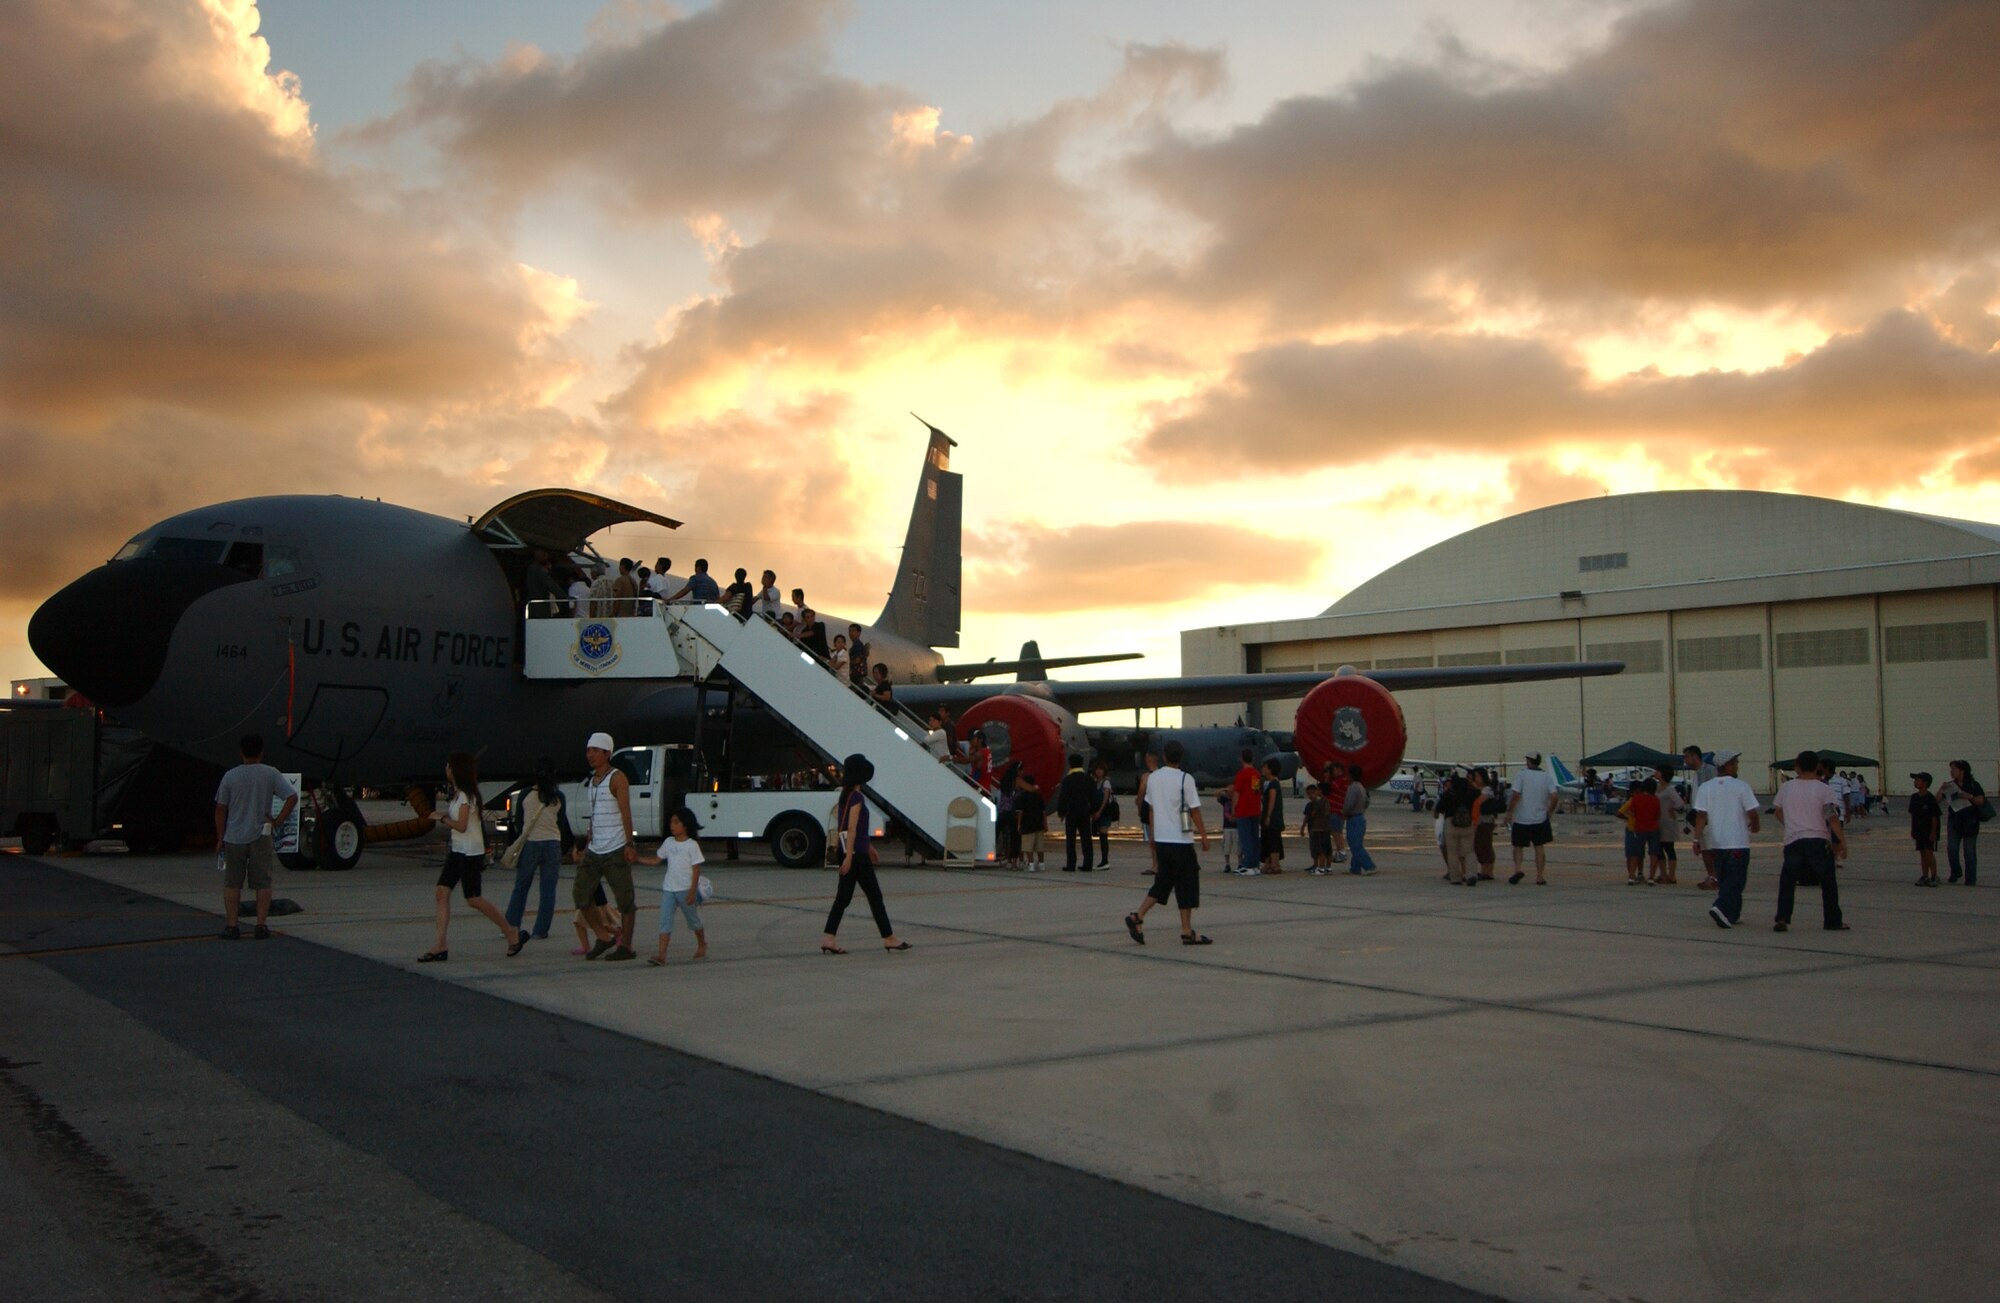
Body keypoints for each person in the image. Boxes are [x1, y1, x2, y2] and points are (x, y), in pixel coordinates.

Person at [423, 752, 528, 961]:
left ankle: (510, 931)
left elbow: (461, 826)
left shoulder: (465, 796)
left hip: (470, 852)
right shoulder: (460, 794)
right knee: (442, 892)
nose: (446, 769)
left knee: (474, 899)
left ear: (455, 770)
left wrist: (442, 818)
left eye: (449, 766)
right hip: (458, 850)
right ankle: (440, 944)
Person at [1122, 740, 1212, 946]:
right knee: (1186, 884)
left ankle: (1137, 916)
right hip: (1181, 840)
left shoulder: (1154, 778)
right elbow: (1195, 809)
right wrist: (1204, 836)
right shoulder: (1185, 779)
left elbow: (1151, 808)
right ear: (1181, 757)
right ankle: (1186, 930)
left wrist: (1153, 835)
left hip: (1162, 839)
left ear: (1164, 756)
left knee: (1164, 882)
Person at [821, 755, 910, 953]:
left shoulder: (845, 796)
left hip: (853, 851)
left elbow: (847, 827)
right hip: (856, 856)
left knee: (843, 899)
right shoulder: (857, 797)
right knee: (874, 897)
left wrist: (866, 847)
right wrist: (852, 857)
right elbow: (852, 828)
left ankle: (829, 937)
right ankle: (888, 937)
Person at [213, 734, 297, 940]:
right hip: (261, 834)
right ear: (261, 752)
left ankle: (232, 926)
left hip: (234, 836)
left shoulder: (230, 776)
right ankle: (261, 925)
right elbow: (292, 797)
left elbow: (220, 808)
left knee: (232, 883)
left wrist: (219, 838)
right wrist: (277, 821)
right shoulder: (271, 773)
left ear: (241, 752)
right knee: (263, 882)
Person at [575, 732, 639, 960]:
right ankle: (603, 936)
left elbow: (625, 811)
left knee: (625, 900)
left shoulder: (617, 778)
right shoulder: (593, 780)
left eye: (595, 750)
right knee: (581, 894)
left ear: (607, 753)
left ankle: (626, 947)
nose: (590, 754)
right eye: (588, 750)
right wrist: (588, 839)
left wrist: (629, 843)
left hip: (615, 848)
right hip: (596, 847)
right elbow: (595, 812)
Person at [1770, 749, 1848, 932]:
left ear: (1796, 767)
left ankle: (1782, 918)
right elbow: (1831, 817)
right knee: (1828, 881)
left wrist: (1790, 824)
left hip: (1794, 840)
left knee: (1787, 881)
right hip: (1818, 840)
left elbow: (1778, 811)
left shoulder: (1786, 787)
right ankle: (1832, 920)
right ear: (1817, 766)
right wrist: (1842, 842)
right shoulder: (1823, 789)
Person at [503, 757, 573, 940]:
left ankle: (511, 925)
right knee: (548, 890)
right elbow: (561, 822)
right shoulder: (559, 797)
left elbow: (519, 823)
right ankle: (540, 930)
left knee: (521, 887)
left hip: (531, 843)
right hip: (553, 844)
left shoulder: (525, 795)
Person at [1693, 749, 1760, 928]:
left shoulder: (1705, 788)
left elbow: (1701, 816)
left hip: (1717, 842)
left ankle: (1733, 913)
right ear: (1728, 765)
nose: (1737, 766)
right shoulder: (1741, 786)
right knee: (1736, 880)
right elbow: (1752, 811)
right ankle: (1720, 907)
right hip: (1737, 841)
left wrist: (1696, 839)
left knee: (1724, 879)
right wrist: (1755, 825)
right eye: (1735, 762)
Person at [636, 807, 707, 965]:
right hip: (669, 888)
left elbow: (696, 869)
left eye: (676, 822)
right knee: (665, 920)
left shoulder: (691, 845)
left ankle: (702, 943)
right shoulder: (668, 842)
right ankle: (662, 955)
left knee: (693, 920)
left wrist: (692, 890)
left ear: (686, 825)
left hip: (685, 889)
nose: (672, 826)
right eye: (671, 822)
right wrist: (638, 859)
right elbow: (656, 860)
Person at [1505, 751, 1557, 884]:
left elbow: (1516, 795)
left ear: (1529, 761)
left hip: (1522, 818)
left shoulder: (1521, 775)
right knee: (1539, 847)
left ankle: (1518, 869)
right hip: (1540, 818)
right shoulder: (1546, 776)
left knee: (1518, 846)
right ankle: (1539, 876)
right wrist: (1550, 811)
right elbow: (1554, 796)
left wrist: (1509, 812)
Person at [1938, 759, 1986, 885]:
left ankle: (1970, 878)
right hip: (1955, 820)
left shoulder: (1974, 785)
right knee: (1952, 849)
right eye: (1951, 769)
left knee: (1969, 851)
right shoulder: (1950, 786)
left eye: (1954, 769)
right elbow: (1936, 800)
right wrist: (1941, 790)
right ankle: (1956, 871)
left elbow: (1981, 801)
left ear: (1962, 770)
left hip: (1970, 820)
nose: (1951, 772)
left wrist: (1969, 796)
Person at [1684, 745, 1719, 889]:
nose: (1685, 761)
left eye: (1686, 757)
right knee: (1704, 848)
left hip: (1709, 817)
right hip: (1698, 818)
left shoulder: (1710, 771)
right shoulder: (1695, 775)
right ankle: (1711, 875)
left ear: (1694, 756)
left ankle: (1716, 877)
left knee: (1712, 849)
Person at [1057, 753, 1098, 871]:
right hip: (1084, 811)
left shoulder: (1067, 780)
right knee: (1086, 838)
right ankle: (1088, 863)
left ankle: (1071, 864)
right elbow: (1093, 797)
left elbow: (1063, 797)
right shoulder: (1088, 779)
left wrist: (1061, 812)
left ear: (1070, 764)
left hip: (1071, 811)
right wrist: (1093, 810)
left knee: (1071, 839)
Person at [1618, 778, 1662, 885]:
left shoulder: (1636, 799)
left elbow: (1633, 813)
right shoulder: (1655, 799)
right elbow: (1658, 815)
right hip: (1653, 828)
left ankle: (1632, 876)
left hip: (1639, 829)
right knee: (1653, 853)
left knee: (1635, 853)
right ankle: (1651, 877)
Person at [1437, 773, 1479, 885]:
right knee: (1469, 851)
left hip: (1451, 823)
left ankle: (1455, 877)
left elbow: (1439, 809)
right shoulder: (1470, 794)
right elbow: (1478, 791)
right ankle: (1471, 875)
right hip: (1467, 824)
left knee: (1452, 852)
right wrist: (1471, 783)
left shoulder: (1448, 794)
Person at [1227, 750, 1262, 876]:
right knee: (1254, 838)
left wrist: (1233, 808)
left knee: (1245, 838)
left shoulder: (1241, 774)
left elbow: (1237, 793)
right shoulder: (1256, 774)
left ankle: (1247, 864)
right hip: (1254, 809)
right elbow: (1256, 791)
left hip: (1244, 810)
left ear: (1242, 759)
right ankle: (1255, 865)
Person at [1909, 771, 1943, 887]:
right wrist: (1913, 830)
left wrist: (1933, 832)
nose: (1915, 782)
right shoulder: (1914, 798)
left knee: (1929, 853)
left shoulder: (1930, 798)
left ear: (1925, 783)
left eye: (1918, 780)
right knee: (1922, 853)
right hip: (1919, 830)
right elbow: (1913, 815)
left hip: (1928, 830)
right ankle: (1925, 875)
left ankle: (1934, 876)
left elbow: (1935, 816)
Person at [1652, 765, 1683, 884]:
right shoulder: (1656, 788)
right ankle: (1663, 874)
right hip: (1657, 821)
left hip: (1668, 822)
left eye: (1658, 770)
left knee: (1669, 848)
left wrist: (1672, 809)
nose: (1655, 772)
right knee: (1659, 849)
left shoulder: (1670, 789)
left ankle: (1672, 875)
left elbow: (1679, 803)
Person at [1342, 765, 1376, 874]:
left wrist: (1344, 813)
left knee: (1355, 845)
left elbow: (1349, 804)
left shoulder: (1352, 788)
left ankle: (1369, 865)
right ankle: (1355, 868)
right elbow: (1367, 802)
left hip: (1354, 818)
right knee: (1357, 844)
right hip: (1361, 817)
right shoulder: (1362, 787)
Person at [1469, 767, 1501, 880]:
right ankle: (1484, 869)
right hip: (1481, 820)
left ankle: (1488, 871)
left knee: (1485, 845)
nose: (1476, 778)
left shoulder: (1487, 790)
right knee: (1479, 845)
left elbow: (1479, 801)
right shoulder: (1481, 788)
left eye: (1477, 776)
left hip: (1485, 821)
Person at [1015, 773, 1048, 871]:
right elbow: (1043, 812)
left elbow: (1020, 812)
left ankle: (1031, 864)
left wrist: (1019, 824)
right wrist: (1045, 823)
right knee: (1039, 846)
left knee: (1028, 846)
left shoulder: (1022, 797)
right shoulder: (1038, 796)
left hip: (1027, 824)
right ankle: (1041, 864)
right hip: (1039, 824)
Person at [1260, 758, 1286, 874]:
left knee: (1273, 840)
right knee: (1266, 839)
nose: (1263, 769)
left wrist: (1268, 815)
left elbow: (1272, 799)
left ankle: (1275, 864)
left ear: (1270, 769)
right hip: (1267, 815)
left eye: (1265, 767)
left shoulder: (1274, 783)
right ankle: (1268, 863)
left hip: (1273, 817)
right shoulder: (1267, 783)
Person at [523, 549, 566, 617]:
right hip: (540, 606)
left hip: (534, 605)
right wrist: (563, 596)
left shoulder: (532, 568)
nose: (546, 556)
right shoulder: (538, 569)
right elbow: (550, 585)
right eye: (544, 554)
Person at [1136, 750, 1159, 875]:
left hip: (1149, 809)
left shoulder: (1146, 777)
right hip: (1162, 810)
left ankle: (1155, 865)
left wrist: (1139, 808)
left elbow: (1141, 794)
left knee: (1152, 838)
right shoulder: (1162, 775)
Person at [1301, 783, 1332, 873]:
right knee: (1327, 849)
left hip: (1317, 828)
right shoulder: (1326, 801)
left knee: (1320, 849)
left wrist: (1303, 827)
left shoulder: (1318, 802)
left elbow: (1311, 815)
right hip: (1325, 828)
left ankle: (1320, 867)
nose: (1311, 795)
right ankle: (1328, 867)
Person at [1091, 760, 1115, 867]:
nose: (1098, 772)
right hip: (1098, 811)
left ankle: (1105, 860)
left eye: (1101, 770)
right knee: (1101, 836)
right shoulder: (1096, 783)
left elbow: (1105, 798)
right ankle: (1103, 860)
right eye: (1097, 769)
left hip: (1104, 812)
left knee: (1104, 835)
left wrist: (1099, 811)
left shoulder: (1106, 783)